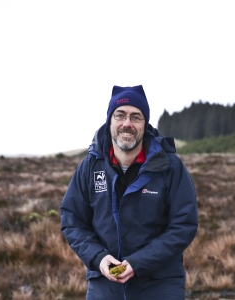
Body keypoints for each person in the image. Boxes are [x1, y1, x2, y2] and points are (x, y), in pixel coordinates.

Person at [60, 85, 198, 300]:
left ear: (145, 124)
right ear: (110, 121)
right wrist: (98, 257)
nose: (127, 124)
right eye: (120, 115)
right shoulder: (90, 167)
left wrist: (139, 262)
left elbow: (184, 224)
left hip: (159, 285)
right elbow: (72, 220)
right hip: (105, 285)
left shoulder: (169, 167)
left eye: (136, 117)